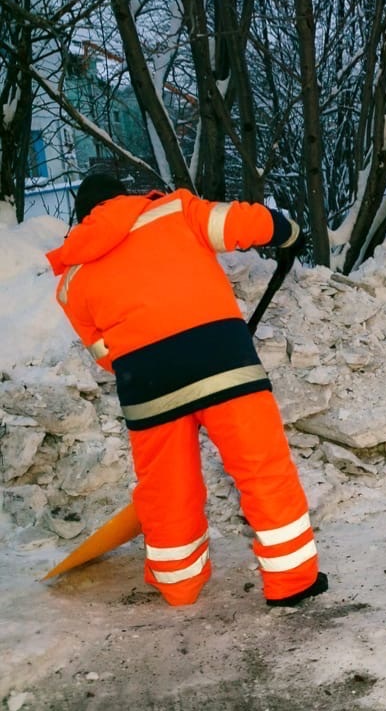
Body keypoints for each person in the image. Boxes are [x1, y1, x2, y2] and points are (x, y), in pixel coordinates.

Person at [46, 173, 327, 607]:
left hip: (148, 385)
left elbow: (105, 353)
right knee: (261, 468)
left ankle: (179, 585)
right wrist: (287, 231)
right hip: (222, 362)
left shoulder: (70, 280)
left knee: (166, 488)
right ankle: (292, 581)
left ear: (81, 218)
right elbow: (240, 223)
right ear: (125, 197)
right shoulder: (175, 210)